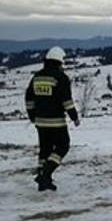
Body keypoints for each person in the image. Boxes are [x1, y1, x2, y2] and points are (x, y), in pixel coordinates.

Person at [25, 46, 80, 191]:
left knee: (45, 149)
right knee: (63, 146)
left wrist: (32, 116)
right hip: (56, 121)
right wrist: (74, 117)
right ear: (60, 61)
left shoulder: (37, 77)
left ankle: (44, 180)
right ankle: (46, 173)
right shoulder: (61, 78)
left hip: (40, 122)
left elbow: (29, 99)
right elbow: (66, 101)